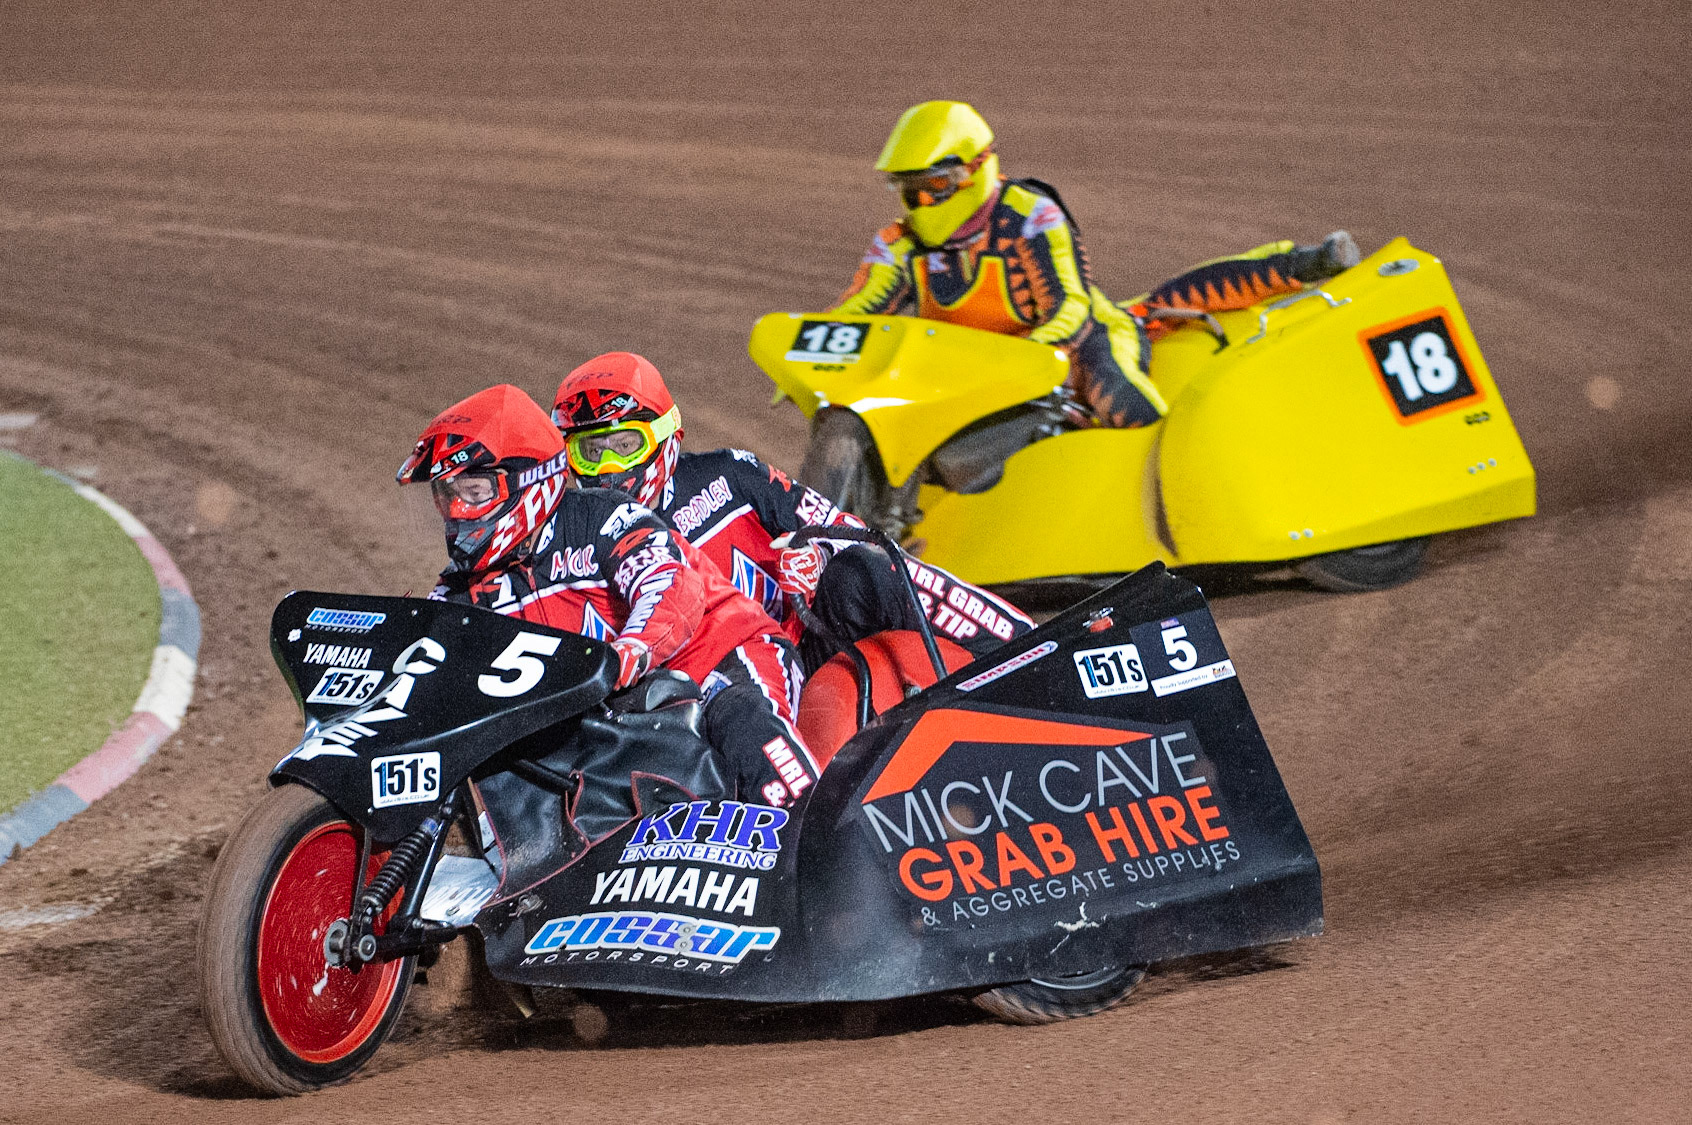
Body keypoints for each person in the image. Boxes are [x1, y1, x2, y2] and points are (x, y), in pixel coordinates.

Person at [397, 383, 818, 808]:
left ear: (526, 482)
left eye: (473, 492)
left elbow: (668, 584)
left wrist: (626, 653)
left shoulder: (605, 517)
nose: (456, 512)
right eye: (445, 495)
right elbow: (420, 661)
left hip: (723, 658)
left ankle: (815, 839)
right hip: (621, 710)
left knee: (747, 729)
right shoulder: (460, 589)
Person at [831, 99, 1361, 428]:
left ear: (974, 170)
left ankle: (1307, 263)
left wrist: (1027, 359)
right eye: (910, 192)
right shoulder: (898, 244)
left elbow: (1069, 310)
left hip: (1080, 345)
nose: (922, 205)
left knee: (1126, 406)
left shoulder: (1031, 217)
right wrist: (807, 350)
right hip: (978, 375)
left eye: (935, 189)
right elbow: (859, 307)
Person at [549, 352, 1035, 674]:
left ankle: (1025, 649)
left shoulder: (731, 475)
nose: (610, 467)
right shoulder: (560, 540)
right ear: (568, 457)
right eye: (592, 451)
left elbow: (849, 531)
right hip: (704, 700)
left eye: (625, 445)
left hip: (805, 652)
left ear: (665, 435)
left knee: (868, 568)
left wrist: (818, 555)